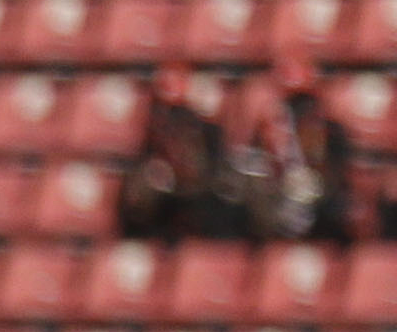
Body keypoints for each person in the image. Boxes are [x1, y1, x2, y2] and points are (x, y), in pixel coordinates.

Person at [229, 49, 363, 248]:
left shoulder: (329, 128)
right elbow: (252, 165)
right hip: (275, 203)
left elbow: (337, 170)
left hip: (320, 207)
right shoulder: (266, 126)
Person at [119, 64, 226, 246]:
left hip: (198, 195)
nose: (169, 87)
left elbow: (209, 166)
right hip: (162, 200)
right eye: (165, 81)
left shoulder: (206, 128)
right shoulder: (152, 124)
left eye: (175, 80)